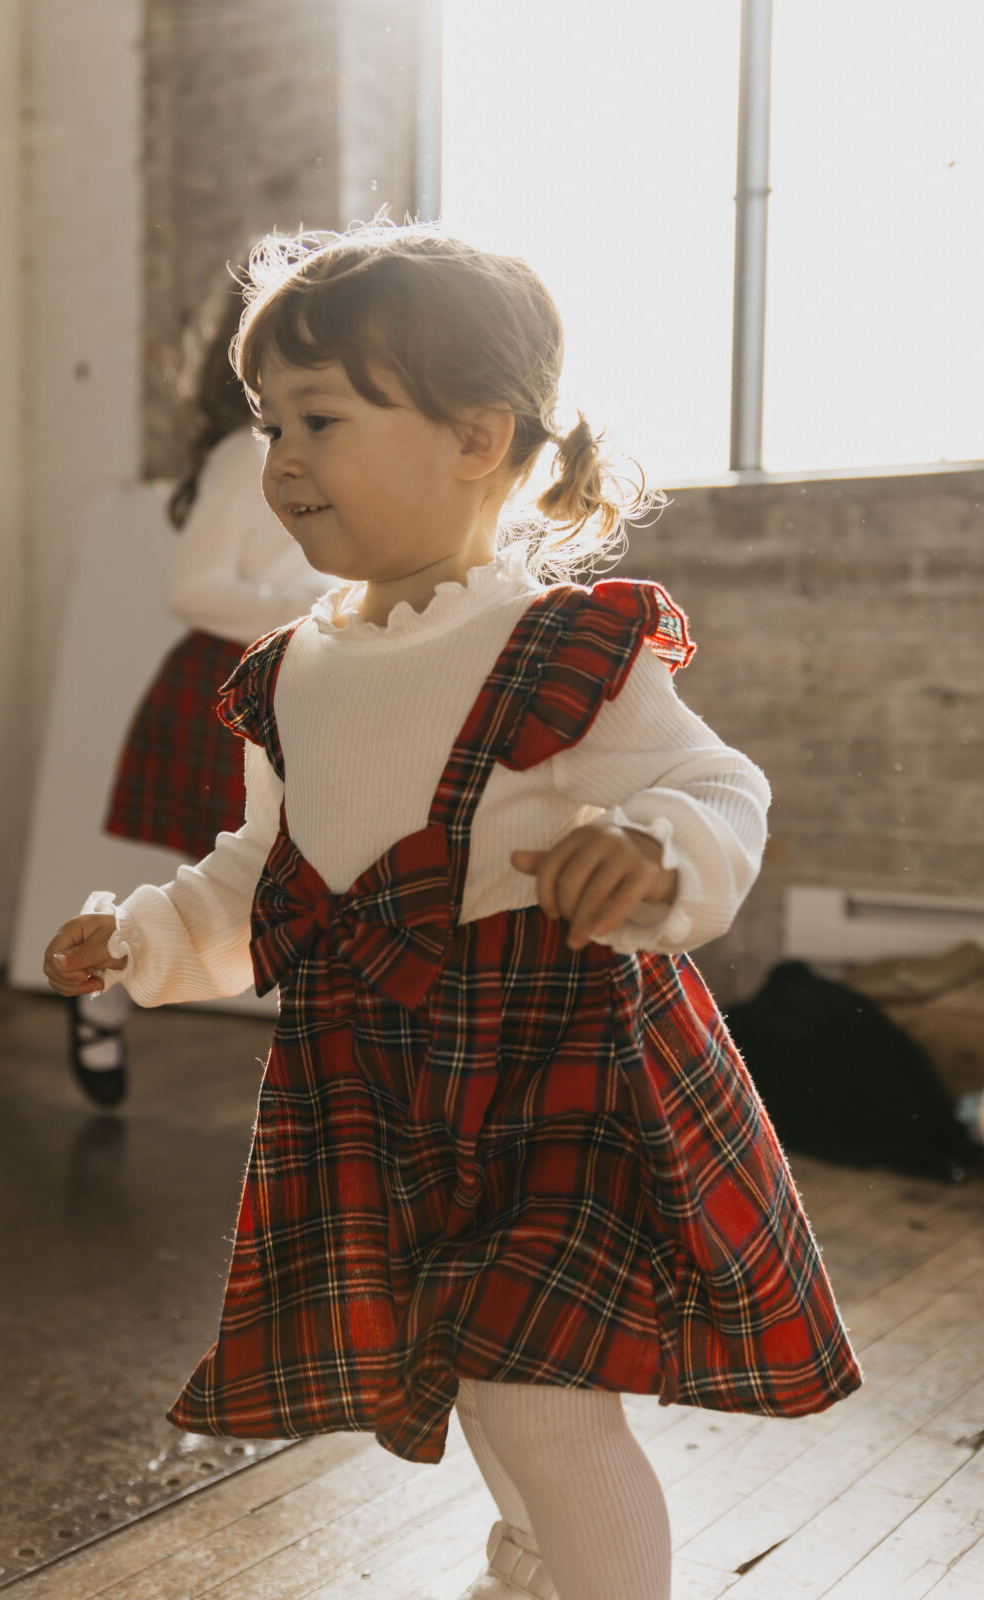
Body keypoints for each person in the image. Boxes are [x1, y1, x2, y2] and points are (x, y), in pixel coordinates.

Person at [44, 222, 861, 1600]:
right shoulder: (291, 675)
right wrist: (135, 936)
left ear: (475, 437)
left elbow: (714, 789)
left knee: (530, 1388)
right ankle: (532, 1559)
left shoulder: (560, 647)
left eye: (318, 418)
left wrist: (654, 847)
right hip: (383, 1087)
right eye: (266, 422)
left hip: (560, 1079)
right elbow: (261, 874)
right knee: (478, 1370)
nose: (278, 459)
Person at [69, 287, 330, 1107]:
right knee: (225, 871)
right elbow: (195, 590)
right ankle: (99, 992)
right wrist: (310, 613)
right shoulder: (237, 458)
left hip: (303, 679)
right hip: (227, 683)